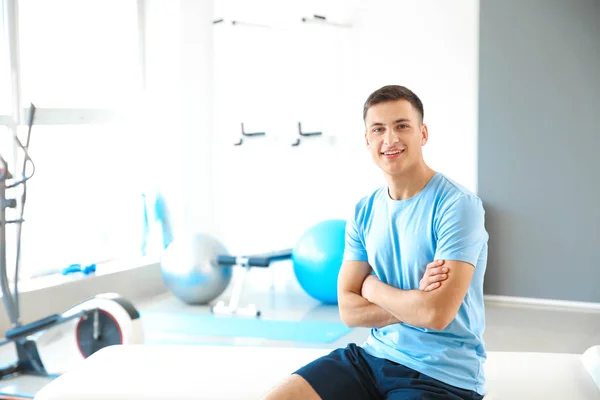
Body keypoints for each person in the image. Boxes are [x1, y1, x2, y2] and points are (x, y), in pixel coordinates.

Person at [263, 85, 488, 400]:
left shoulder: (457, 205)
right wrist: (414, 301)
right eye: (378, 129)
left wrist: (370, 288)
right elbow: (348, 310)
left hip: (442, 372)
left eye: (402, 126)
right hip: (373, 357)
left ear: (423, 134)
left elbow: (435, 315)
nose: (390, 139)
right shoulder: (364, 210)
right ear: (367, 140)